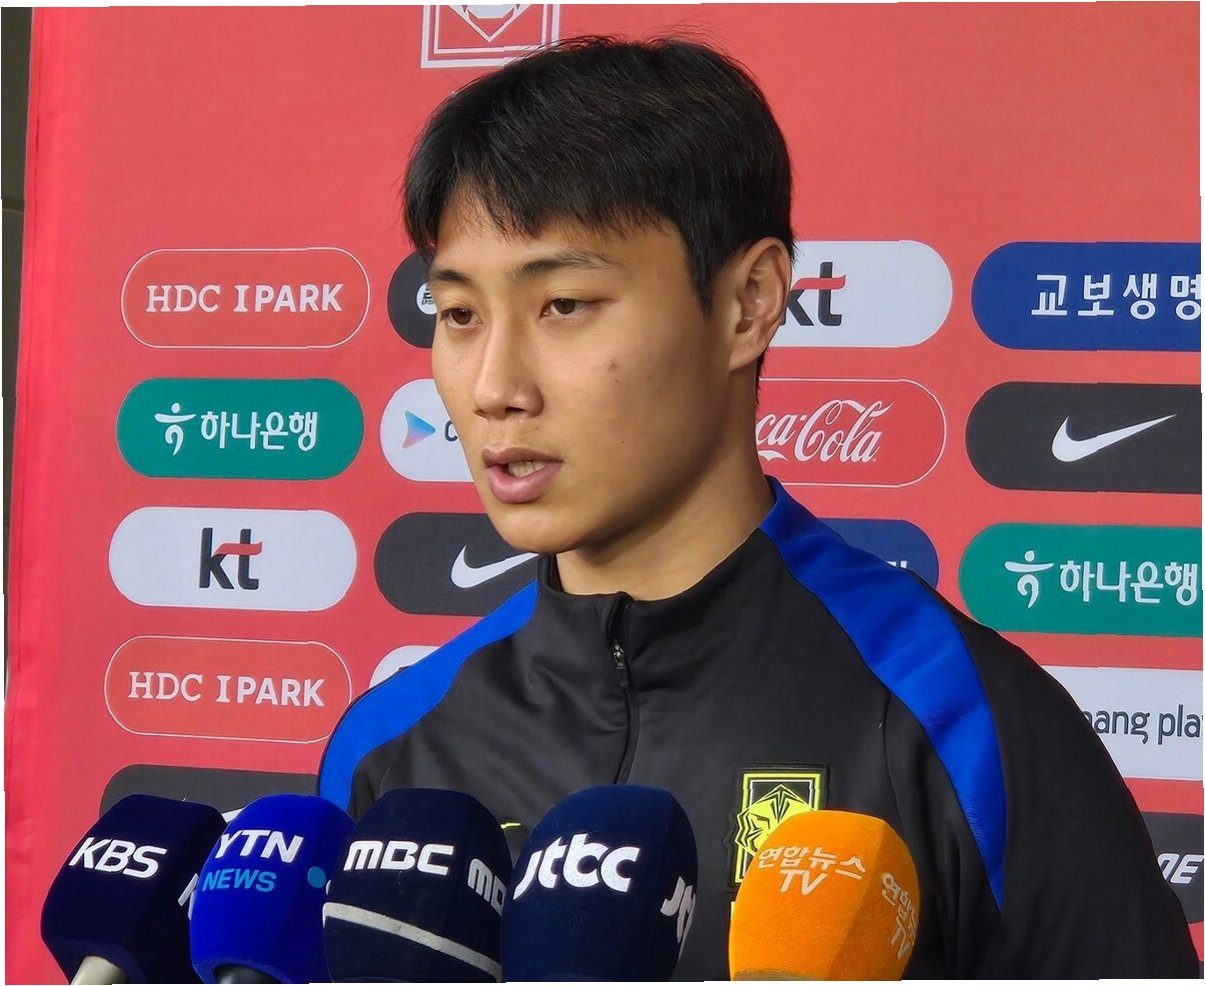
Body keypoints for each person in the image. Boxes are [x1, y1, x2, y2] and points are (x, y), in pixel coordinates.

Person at [319, 36, 1197, 978]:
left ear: (749, 303)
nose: (495, 387)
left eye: (564, 304)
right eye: (458, 315)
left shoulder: (963, 721)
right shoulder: (390, 744)